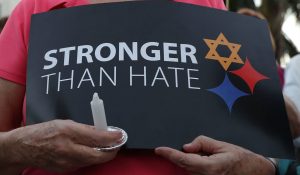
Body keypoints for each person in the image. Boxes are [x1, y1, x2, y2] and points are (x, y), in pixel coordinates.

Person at [0, 0, 277, 175]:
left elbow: (248, 137)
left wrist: (254, 165)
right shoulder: (35, 8)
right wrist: (24, 147)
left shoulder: (206, 5)